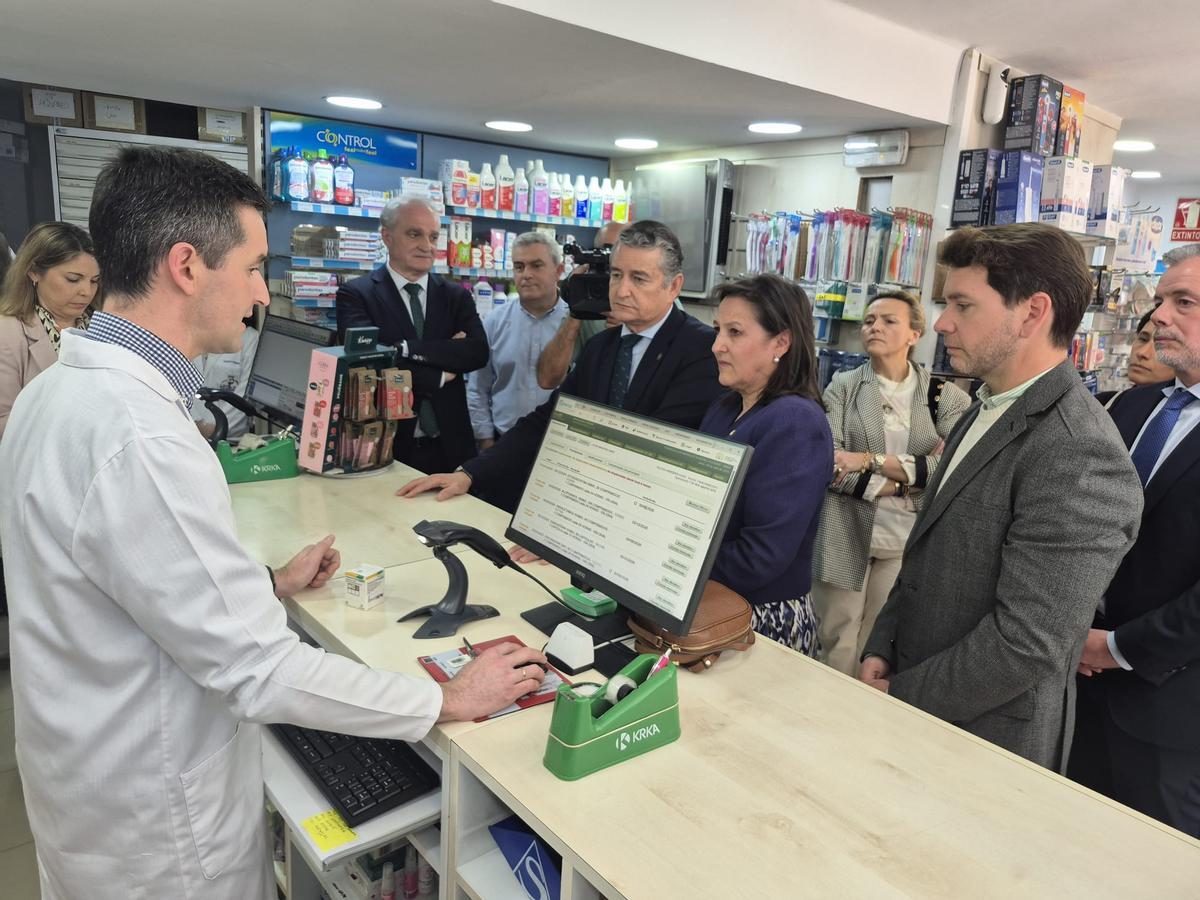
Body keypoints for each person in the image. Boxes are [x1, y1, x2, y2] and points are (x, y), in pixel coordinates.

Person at [0, 146, 547, 900]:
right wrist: (444, 698)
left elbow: (118, 572)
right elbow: (260, 672)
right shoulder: (143, 436)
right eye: (255, 267)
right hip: (158, 833)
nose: (261, 295)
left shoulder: (58, 391)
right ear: (187, 266)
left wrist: (261, 582)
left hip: (85, 785)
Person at [858, 223, 1143, 772]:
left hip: (984, 742)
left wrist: (901, 694)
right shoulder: (985, 405)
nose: (942, 323)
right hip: (912, 705)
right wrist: (880, 646)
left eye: (963, 305)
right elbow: (926, 557)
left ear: (1033, 312)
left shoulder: (1078, 452)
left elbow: (1027, 643)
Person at [398, 220, 723, 515]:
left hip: (643, 518)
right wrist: (470, 473)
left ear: (674, 286)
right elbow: (548, 420)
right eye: (616, 275)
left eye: (639, 278)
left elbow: (658, 449)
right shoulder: (602, 347)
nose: (622, 290)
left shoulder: (700, 350)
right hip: (588, 506)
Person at [1067, 243, 1200, 836]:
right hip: (1074, 683)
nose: (1159, 317)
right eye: (1162, 299)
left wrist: (1117, 647)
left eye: (1184, 302)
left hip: (1169, 709)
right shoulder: (1128, 408)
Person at [810, 291, 971, 674]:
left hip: (904, 541)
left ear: (915, 334)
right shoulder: (843, 386)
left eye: (888, 321)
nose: (875, 327)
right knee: (836, 640)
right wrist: (903, 482)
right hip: (844, 532)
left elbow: (954, 466)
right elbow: (830, 462)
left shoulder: (942, 397)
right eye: (869, 321)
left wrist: (870, 461)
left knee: (876, 648)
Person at [699, 274, 831, 653]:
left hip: (756, 621)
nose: (717, 346)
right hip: (711, 600)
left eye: (735, 333)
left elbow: (761, 557)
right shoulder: (726, 408)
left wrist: (674, 561)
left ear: (782, 342)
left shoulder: (795, 422)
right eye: (717, 330)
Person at [336, 197, 488, 474]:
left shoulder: (456, 296)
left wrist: (406, 349)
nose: (426, 246)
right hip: (387, 445)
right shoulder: (356, 295)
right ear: (387, 236)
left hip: (452, 447)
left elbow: (477, 352)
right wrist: (439, 374)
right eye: (414, 234)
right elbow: (368, 364)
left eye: (432, 236)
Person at [467, 231, 569, 450]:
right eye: (519, 266)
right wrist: (485, 439)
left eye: (536, 265)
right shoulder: (494, 322)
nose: (526, 274)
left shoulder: (574, 322)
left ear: (559, 271)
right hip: (505, 441)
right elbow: (478, 386)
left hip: (560, 446)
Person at [0, 221, 101, 439]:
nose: (86, 291)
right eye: (73, 279)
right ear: (34, 272)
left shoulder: (100, 326)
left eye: (94, 281)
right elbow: (3, 423)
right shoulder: (7, 334)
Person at [535, 220, 624, 390]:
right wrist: (577, 306)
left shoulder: (656, 299)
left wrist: (634, 329)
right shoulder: (586, 298)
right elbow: (547, 379)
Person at [191, 313, 260, 440]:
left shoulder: (250, 338)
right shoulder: (189, 333)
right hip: (190, 433)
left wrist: (217, 429)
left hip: (231, 438)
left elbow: (242, 398)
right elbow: (180, 390)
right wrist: (195, 426)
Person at [1095, 309, 1175, 407]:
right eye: (1143, 339)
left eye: (1161, 345)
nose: (1142, 353)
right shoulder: (1103, 403)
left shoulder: (1174, 417)